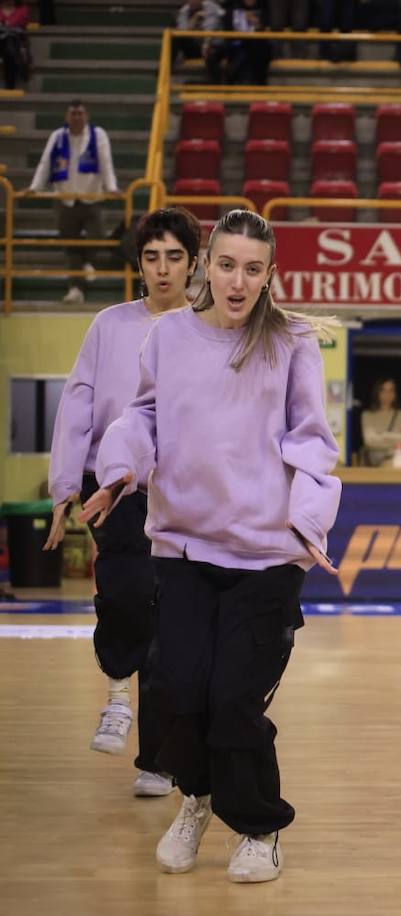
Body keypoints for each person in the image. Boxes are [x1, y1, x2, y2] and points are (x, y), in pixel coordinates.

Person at [79, 209, 341, 882]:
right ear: (206, 267)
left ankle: (258, 827)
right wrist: (119, 469)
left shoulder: (291, 342)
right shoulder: (170, 338)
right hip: (184, 552)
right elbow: (142, 416)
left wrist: (309, 525)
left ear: (269, 276)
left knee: (234, 699)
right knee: (178, 691)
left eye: (253, 269)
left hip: (265, 559)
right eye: (226, 264)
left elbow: (313, 443)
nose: (238, 280)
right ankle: (197, 797)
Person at [42, 208, 201, 800]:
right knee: (129, 591)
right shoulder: (109, 325)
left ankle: (157, 760)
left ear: (193, 264)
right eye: (152, 257)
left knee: (172, 628)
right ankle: (116, 691)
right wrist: (64, 489)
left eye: (174, 257)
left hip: (183, 491)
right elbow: (77, 409)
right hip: (114, 487)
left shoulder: (208, 328)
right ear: (138, 264)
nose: (163, 269)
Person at [28, 100, 119, 305]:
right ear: (66, 116)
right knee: (71, 247)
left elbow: (106, 162)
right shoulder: (57, 137)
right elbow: (45, 163)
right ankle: (75, 288)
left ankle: (86, 263)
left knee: (97, 238)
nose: (77, 117)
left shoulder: (98, 135)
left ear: (86, 116)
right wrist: (35, 188)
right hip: (64, 199)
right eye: (73, 113)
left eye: (80, 113)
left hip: (91, 197)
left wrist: (111, 187)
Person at [359, 378, 401, 467]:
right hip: (377, 463)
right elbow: (369, 440)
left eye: (391, 390)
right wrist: (398, 440)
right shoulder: (367, 415)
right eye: (383, 390)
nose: (388, 394)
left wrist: (384, 435)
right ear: (377, 392)